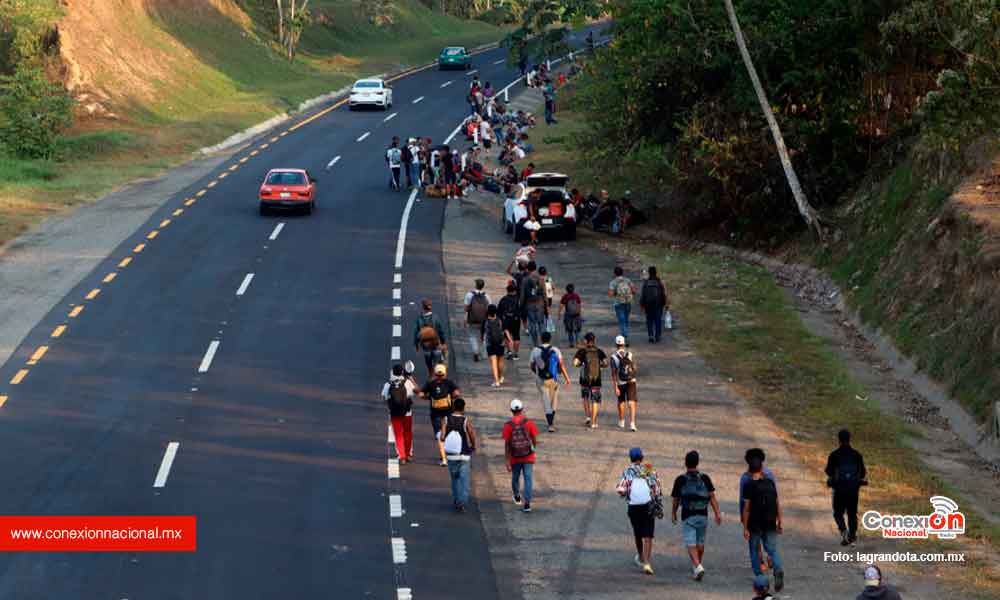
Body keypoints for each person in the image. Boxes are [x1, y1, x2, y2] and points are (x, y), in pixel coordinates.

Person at [670, 450, 722, 581]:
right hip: (703, 515)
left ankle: (698, 565)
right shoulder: (705, 478)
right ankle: (696, 567)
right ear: (697, 463)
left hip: (688, 515)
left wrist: (674, 513)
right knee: (700, 542)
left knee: (690, 542)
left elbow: (676, 499)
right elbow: (712, 497)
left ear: (685, 463)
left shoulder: (680, 480)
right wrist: (717, 513)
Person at [742, 449, 784, 592]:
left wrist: (745, 526)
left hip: (754, 523)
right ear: (762, 466)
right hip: (770, 521)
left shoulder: (747, 481)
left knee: (754, 549)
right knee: (772, 549)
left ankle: (760, 578)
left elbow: (746, 508)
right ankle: (777, 569)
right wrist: (780, 521)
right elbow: (777, 503)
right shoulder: (770, 481)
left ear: (748, 465)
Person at [616, 447, 663, 575]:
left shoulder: (627, 471)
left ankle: (641, 557)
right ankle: (647, 563)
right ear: (642, 458)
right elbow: (657, 488)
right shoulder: (649, 469)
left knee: (638, 533)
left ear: (630, 459)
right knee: (648, 535)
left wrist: (623, 493)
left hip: (634, 507)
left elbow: (621, 489)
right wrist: (658, 502)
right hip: (648, 506)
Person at [826, 428, 867, 546]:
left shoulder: (834, 455)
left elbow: (829, 471)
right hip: (853, 490)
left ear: (838, 440)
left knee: (838, 512)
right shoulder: (857, 455)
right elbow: (863, 473)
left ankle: (844, 531)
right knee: (852, 513)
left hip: (839, 490)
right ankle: (852, 535)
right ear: (850, 439)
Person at [739, 448, 778, 574]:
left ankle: (760, 566)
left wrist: (743, 520)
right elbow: (775, 498)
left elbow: (743, 501)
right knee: (769, 543)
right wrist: (778, 518)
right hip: (769, 516)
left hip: (753, 516)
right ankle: (772, 559)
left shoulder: (745, 478)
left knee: (755, 544)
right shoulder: (769, 475)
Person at [530, 331, 571, 432]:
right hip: (553, 379)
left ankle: (550, 423)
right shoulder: (555, 350)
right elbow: (561, 365)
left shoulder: (535, 350)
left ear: (541, 339)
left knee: (546, 400)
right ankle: (551, 421)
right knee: (554, 400)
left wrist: (537, 373)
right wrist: (567, 378)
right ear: (550, 339)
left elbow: (531, 365)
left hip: (541, 379)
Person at [441, 397, 477, 512]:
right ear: (463, 408)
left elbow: (442, 437)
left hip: (451, 455)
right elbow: (471, 433)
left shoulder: (446, 419)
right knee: (464, 480)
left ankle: (457, 500)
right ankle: (462, 502)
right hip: (464, 454)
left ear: (453, 407)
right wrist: (473, 445)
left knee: (455, 479)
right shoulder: (465, 420)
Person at [503, 398, 539, 513]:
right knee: (528, 479)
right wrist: (533, 448)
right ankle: (527, 504)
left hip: (515, 456)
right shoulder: (529, 423)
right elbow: (534, 438)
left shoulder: (508, 425)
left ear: (511, 410)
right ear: (522, 409)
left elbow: (507, 444)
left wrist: (507, 461)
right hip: (528, 455)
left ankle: (517, 496)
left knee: (515, 477)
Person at [421, 363, 460, 467]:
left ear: (434, 373)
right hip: (448, 412)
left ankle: (444, 459)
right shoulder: (449, 382)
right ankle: (452, 453)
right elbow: (457, 393)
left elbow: (421, 394)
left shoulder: (430, 383)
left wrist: (429, 397)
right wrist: (451, 397)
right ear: (445, 373)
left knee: (439, 436)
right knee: (448, 434)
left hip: (435, 414)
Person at [382, 364, 417, 463]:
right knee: (407, 433)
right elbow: (415, 392)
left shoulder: (388, 384)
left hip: (394, 413)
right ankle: (408, 454)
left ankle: (402, 456)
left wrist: (390, 406)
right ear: (402, 372)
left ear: (392, 372)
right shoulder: (407, 383)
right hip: (407, 413)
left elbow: (384, 398)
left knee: (398, 435)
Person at [572, 332, 608, 428]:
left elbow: (575, 363)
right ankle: (593, 422)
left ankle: (588, 417)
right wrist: (599, 365)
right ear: (594, 340)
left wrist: (581, 365)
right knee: (595, 400)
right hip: (596, 379)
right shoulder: (599, 351)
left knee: (586, 398)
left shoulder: (582, 351)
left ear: (585, 341)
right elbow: (606, 363)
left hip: (584, 380)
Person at [609, 335, 638, 431]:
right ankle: (632, 423)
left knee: (621, 401)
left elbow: (613, 373)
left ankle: (621, 421)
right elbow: (634, 368)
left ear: (616, 345)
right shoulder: (629, 354)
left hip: (621, 382)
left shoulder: (613, 357)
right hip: (631, 381)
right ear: (624, 344)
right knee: (631, 402)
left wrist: (615, 386)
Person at [413, 299, 447, 375]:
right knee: (438, 361)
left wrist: (416, 345)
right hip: (436, 344)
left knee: (428, 362)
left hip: (425, 346)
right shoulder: (435, 317)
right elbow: (441, 331)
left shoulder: (419, 319)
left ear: (423, 307)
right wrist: (443, 342)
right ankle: (437, 374)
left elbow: (416, 333)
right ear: (431, 307)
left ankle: (430, 373)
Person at [481, 304, 511, 387]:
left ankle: (496, 381)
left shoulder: (485, 321)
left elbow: (482, 332)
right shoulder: (500, 319)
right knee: (500, 361)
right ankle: (501, 377)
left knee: (493, 363)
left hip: (490, 344)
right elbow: (505, 329)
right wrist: (509, 339)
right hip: (500, 343)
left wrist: (482, 340)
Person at [519, 261, 546, 348]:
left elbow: (522, 295)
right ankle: (543, 343)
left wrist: (521, 306)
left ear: (527, 269)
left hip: (529, 304)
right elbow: (544, 293)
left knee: (532, 324)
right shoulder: (541, 279)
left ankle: (535, 343)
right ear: (535, 268)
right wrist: (546, 304)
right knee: (541, 324)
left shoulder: (525, 280)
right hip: (540, 304)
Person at [464, 279, 491, 363]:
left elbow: (466, 308)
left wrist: (465, 318)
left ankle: (475, 352)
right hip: (483, 320)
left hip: (472, 319)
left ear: (475, 285)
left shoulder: (469, 295)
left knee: (472, 336)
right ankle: (483, 354)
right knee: (484, 336)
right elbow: (489, 308)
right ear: (483, 286)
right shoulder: (487, 296)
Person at [639, 266, 668, 343]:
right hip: (658, 304)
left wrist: (642, 304)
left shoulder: (646, 282)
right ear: (656, 272)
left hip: (648, 304)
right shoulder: (659, 282)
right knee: (658, 320)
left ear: (649, 273)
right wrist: (665, 303)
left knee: (649, 320)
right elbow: (664, 294)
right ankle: (657, 336)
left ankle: (651, 335)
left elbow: (643, 294)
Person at [608, 266, 636, 343]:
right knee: (626, 319)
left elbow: (610, 294)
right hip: (628, 302)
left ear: (615, 273)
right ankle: (625, 334)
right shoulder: (627, 280)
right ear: (622, 272)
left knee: (621, 320)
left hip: (618, 303)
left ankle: (624, 336)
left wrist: (616, 293)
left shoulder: (613, 282)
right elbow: (634, 291)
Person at [497, 283, 522, 360]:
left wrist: (500, 321)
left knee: (506, 336)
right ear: (515, 291)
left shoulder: (503, 299)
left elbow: (499, 312)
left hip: (506, 320)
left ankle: (509, 351)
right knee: (516, 336)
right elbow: (522, 310)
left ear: (507, 290)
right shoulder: (518, 299)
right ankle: (516, 354)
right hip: (516, 320)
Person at [558, 283, 583, 348]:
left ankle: (571, 343)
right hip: (576, 315)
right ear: (573, 289)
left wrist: (559, 314)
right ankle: (577, 343)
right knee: (577, 330)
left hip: (568, 315)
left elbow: (561, 306)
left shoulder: (565, 296)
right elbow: (579, 305)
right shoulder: (576, 296)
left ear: (566, 290)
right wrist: (579, 313)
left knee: (569, 330)